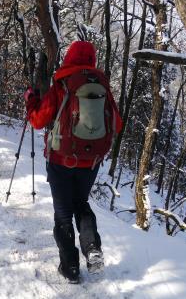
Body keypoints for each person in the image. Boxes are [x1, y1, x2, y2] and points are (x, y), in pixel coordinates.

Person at [24, 41, 122, 284]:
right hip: (90, 162)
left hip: (61, 158)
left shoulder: (62, 83)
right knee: (81, 203)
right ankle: (92, 248)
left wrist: (31, 101)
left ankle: (70, 267)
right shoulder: (102, 86)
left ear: (69, 57)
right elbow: (117, 124)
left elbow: (38, 120)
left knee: (63, 212)